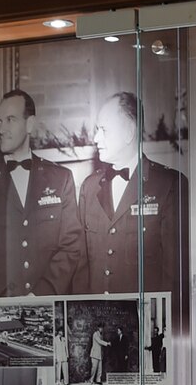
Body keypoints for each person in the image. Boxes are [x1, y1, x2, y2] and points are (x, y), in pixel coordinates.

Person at [0, 89, 84, 298]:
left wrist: (42, 295)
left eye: (10, 120)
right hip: (0, 308)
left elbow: (71, 246)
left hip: (51, 304)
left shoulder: (61, 179)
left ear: (30, 124)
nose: (1, 129)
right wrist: (8, 302)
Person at [73, 91, 184, 297]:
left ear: (129, 132)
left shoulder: (169, 186)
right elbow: (80, 269)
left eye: (103, 130)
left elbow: (173, 276)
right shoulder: (89, 188)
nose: (96, 139)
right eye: (97, 130)